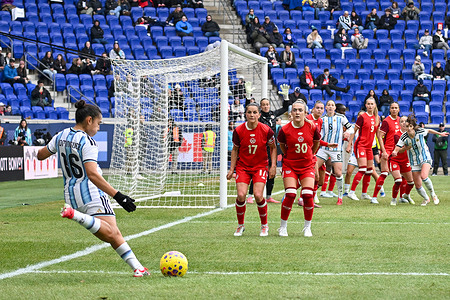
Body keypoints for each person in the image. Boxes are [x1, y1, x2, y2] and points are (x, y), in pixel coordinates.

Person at [36, 100, 149, 277]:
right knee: (111, 232)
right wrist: (118, 195)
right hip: (90, 193)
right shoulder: (87, 142)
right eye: (98, 123)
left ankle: (138, 268)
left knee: (112, 234)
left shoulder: (62, 135)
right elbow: (92, 174)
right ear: (89, 120)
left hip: (71, 195)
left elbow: (40, 155)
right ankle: (75, 215)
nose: (98, 128)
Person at [226, 103, 276, 237]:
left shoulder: (266, 130)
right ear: (245, 114)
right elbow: (235, 149)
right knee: (241, 195)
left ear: (259, 115)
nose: (252, 115)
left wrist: (273, 166)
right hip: (243, 167)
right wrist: (232, 169)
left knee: (258, 195)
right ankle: (240, 226)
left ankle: (264, 225)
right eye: (249, 112)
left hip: (260, 166)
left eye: (255, 112)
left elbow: (273, 147)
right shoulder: (239, 130)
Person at [277, 100, 321, 237]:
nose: (297, 112)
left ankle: (307, 227)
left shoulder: (312, 128)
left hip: (307, 166)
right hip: (290, 165)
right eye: (295, 110)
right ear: (291, 113)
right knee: (290, 194)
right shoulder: (284, 129)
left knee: (308, 195)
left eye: (300, 110)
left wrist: (310, 155)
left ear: (305, 113)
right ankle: (282, 227)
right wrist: (289, 156)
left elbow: (316, 143)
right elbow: (282, 146)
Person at [392, 115, 449, 206]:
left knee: (424, 176)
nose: (409, 128)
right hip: (414, 161)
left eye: (410, 126)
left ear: (413, 126)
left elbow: (429, 130)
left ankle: (433, 195)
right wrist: (396, 151)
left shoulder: (420, 131)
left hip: (425, 157)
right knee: (417, 185)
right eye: (407, 127)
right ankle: (426, 199)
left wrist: (440, 134)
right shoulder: (404, 136)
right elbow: (399, 148)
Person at [315, 100, 352, 205]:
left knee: (338, 173)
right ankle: (314, 194)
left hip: (336, 150)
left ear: (335, 107)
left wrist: (347, 133)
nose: (330, 107)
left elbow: (351, 128)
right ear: (326, 108)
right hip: (324, 148)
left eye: (332, 105)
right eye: (328, 105)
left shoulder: (341, 118)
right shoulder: (322, 119)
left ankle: (340, 197)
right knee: (313, 168)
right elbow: (319, 134)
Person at [345, 98, 380, 202]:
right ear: (365, 105)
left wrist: (382, 148)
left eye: (371, 104)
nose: (370, 106)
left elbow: (377, 135)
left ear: (374, 105)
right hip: (361, 145)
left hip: (370, 147)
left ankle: (364, 193)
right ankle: (351, 192)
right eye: (368, 104)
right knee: (362, 169)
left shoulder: (377, 118)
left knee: (369, 171)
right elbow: (354, 131)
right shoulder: (362, 117)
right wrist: (349, 144)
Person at [371, 102, 405, 204]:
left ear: (399, 109)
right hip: (388, 150)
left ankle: (401, 197)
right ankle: (374, 197)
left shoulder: (401, 121)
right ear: (389, 109)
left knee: (402, 175)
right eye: (392, 108)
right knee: (384, 173)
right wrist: (383, 151)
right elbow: (379, 137)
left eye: (396, 108)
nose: (394, 109)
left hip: (398, 151)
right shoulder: (386, 121)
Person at [386, 115, 416, 205]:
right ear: (399, 124)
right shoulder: (397, 135)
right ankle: (393, 199)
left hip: (406, 160)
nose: (404, 123)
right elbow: (400, 149)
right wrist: (406, 148)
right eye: (402, 121)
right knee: (398, 180)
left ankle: (406, 195)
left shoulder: (413, 133)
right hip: (395, 159)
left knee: (411, 183)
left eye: (405, 121)